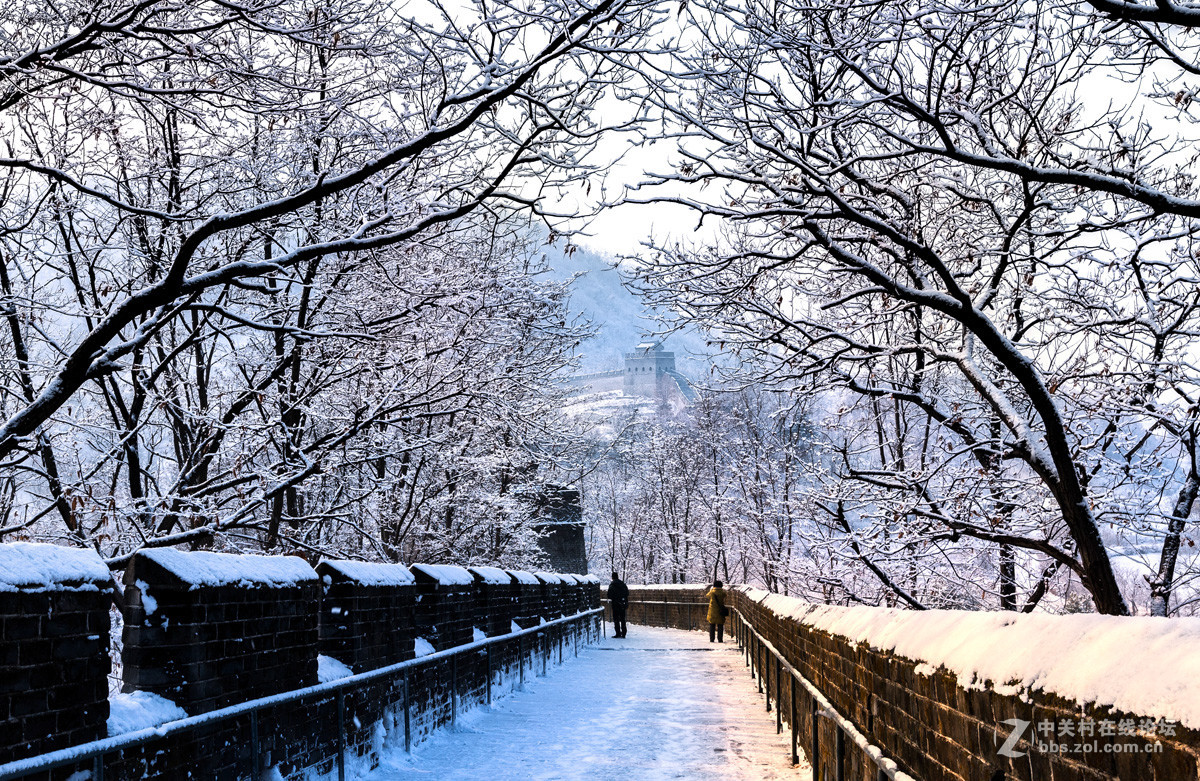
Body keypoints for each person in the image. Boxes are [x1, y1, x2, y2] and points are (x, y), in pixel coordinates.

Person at [609, 571, 629, 638]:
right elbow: (627, 593)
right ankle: (624, 633)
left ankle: (618, 633)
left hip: (615, 605)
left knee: (616, 619)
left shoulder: (612, 585)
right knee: (623, 619)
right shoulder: (622, 584)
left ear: (612, 577)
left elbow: (609, 595)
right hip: (622, 604)